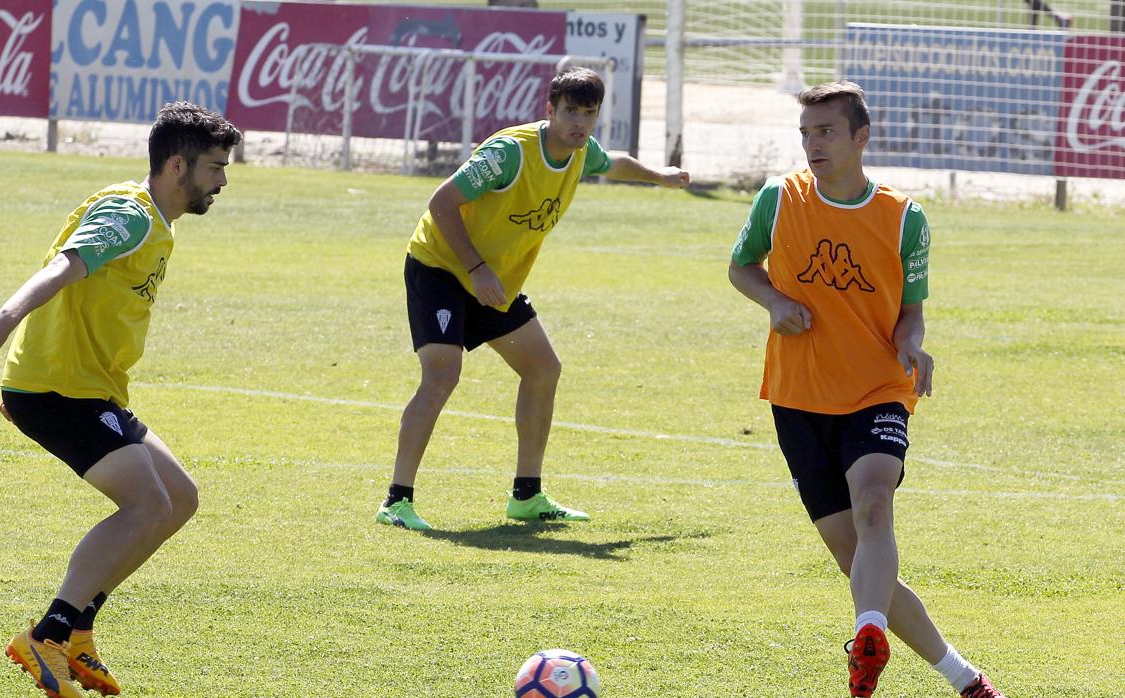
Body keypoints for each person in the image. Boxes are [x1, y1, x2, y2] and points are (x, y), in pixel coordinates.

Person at [0, 102, 241, 698]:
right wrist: (5, 320)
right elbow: (65, 266)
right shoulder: (129, 214)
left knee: (179, 499)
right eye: (215, 166)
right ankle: (48, 633)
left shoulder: (159, 220)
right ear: (177, 165)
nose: (224, 180)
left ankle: (78, 631)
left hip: (85, 388)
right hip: (59, 389)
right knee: (146, 504)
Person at [727, 81, 1005, 698]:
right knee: (859, 566)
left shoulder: (905, 217)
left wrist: (911, 342)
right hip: (798, 396)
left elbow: (913, 311)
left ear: (861, 137)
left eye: (825, 131)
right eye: (805, 132)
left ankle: (867, 636)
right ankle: (966, 679)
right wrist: (772, 300)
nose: (812, 143)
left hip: (880, 388)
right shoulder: (777, 199)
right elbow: (740, 266)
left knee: (874, 502)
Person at [377, 67, 690, 530]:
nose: (579, 123)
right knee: (443, 374)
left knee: (543, 369)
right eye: (570, 112)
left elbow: (613, 163)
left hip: (494, 281)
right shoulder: (510, 153)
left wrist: (659, 176)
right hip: (442, 266)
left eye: (589, 113)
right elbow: (441, 201)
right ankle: (396, 501)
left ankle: (527, 494)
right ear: (550, 110)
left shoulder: (582, 153)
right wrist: (476, 268)